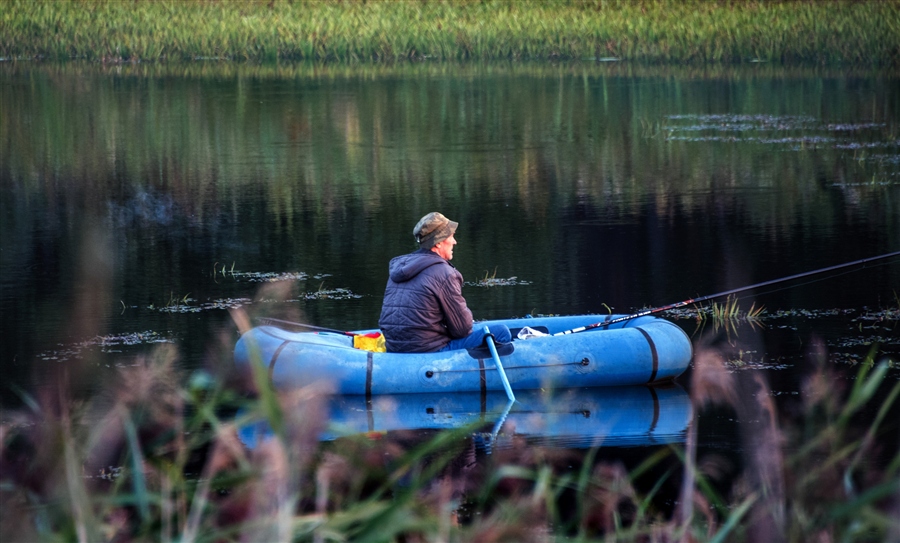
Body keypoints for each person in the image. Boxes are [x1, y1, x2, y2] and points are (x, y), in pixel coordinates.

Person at [379, 212, 512, 353]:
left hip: (394, 348)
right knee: (501, 332)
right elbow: (462, 329)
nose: (455, 242)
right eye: (451, 236)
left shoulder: (400, 269)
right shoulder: (445, 273)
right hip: (429, 351)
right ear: (438, 243)